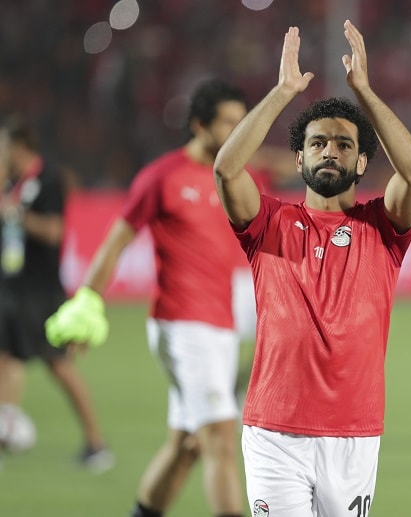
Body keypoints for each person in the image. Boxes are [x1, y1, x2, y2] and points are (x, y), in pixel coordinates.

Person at [213, 21, 411, 517]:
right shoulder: (268, 222)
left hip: (354, 434)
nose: (330, 149)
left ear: (360, 164)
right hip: (274, 433)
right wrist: (283, 91)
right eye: (317, 143)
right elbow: (226, 169)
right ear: (299, 157)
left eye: (345, 145)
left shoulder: (383, 228)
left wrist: (366, 94)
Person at [45, 79, 253, 517]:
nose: (239, 132)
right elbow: (116, 242)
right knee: (219, 438)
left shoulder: (235, 177)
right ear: (199, 125)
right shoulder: (163, 177)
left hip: (220, 324)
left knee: (187, 446)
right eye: (229, 123)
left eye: (243, 123)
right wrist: (87, 303)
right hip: (181, 324)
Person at [0, 116, 114, 471]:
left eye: (4, 146)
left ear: (20, 146)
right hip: (13, 286)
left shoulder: (48, 179)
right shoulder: (10, 181)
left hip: (41, 288)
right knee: (8, 359)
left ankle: (96, 443)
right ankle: (6, 435)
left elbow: (53, 232)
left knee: (58, 364)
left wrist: (15, 214)